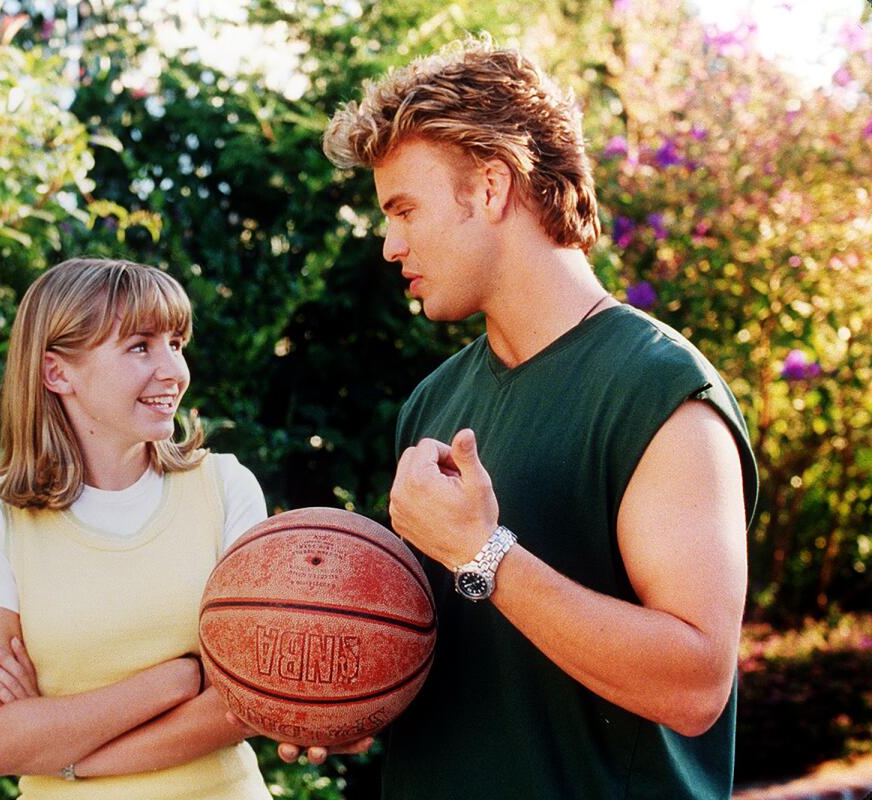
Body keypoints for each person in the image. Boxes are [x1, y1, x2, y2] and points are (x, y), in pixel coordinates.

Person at [277, 36, 759, 799]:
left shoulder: (660, 391)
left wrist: (484, 554)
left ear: (492, 187)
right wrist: (348, 690)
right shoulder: (431, 404)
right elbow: (449, 654)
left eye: (404, 209)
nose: (390, 244)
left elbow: (696, 684)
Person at [0, 258, 273, 799]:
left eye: (177, 344)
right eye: (140, 346)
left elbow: (250, 704)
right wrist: (177, 681)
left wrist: (67, 751)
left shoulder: (225, 487)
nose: (173, 371)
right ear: (57, 372)